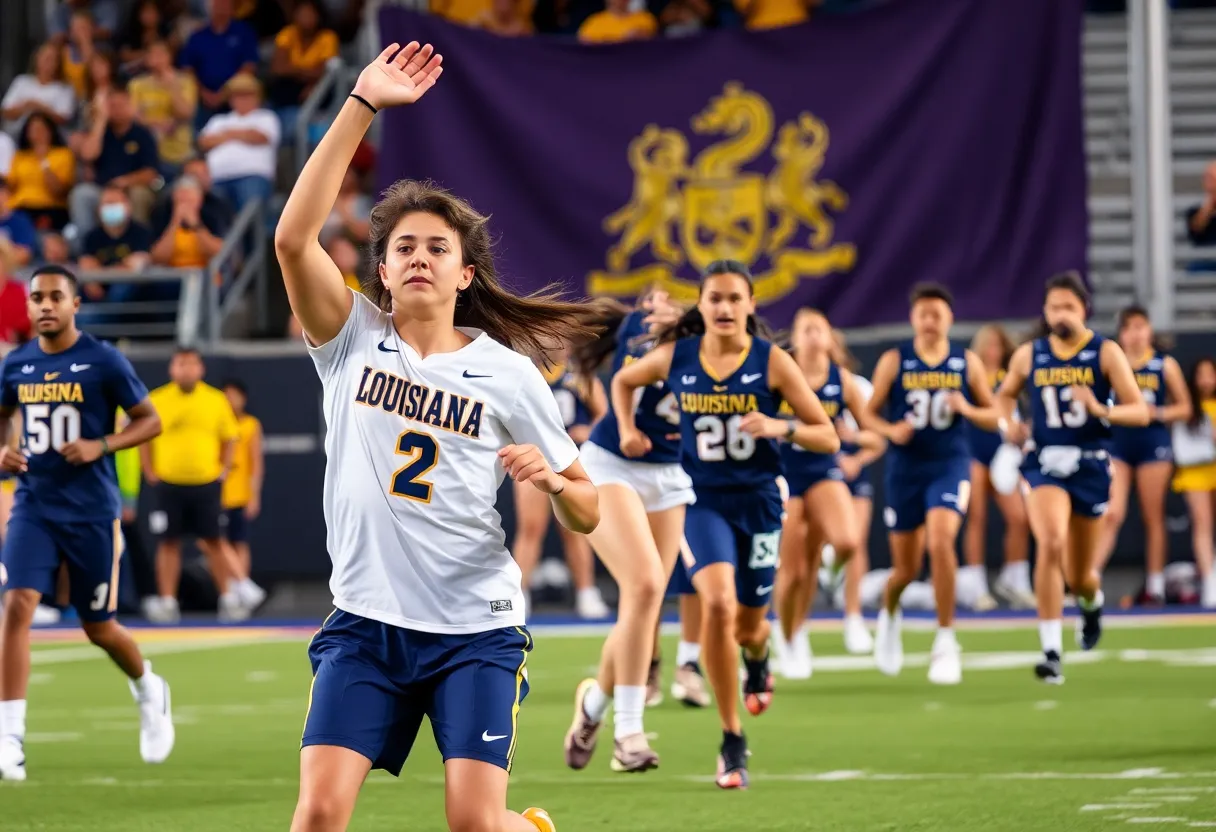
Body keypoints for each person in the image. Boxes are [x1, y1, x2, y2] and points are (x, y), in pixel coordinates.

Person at [274, 43, 603, 832]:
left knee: (475, 826)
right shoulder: (350, 338)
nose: (419, 257)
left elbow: (588, 507)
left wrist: (557, 485)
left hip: (474, 628)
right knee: (317, 817)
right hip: (364, 623)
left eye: (438, 248)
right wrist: (362, 104)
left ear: (465, 275)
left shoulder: (510, 374)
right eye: (403, 248)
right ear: (381, 271)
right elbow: (292, 239)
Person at [609, 260, 838, 789]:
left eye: (736, 298)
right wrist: (626, 429)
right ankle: (732, 738)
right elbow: (623, 379)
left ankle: (758, 658)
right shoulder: (678, 356)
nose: (726, 308)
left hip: (758, 502)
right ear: (703, 306)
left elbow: (827, 436)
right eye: (715, 298)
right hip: (702, 499)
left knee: (749, 627)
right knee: (715, 602)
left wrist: (781, 426)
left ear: (751, 305)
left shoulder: (773, 361)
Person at [0, 264, 174, 782]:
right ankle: (10, 735)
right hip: (34, 503)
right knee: (16, 605)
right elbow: (4, 416)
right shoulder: (17, 364)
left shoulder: (102, 360)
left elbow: (150, 419)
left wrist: (102, 444)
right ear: (27, 307)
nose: (46, 305)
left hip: (91, 511)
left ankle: (148, 686)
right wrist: (4, 449)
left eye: (56, 296)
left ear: (76, 304)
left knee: (98, 627)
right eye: (37, 297)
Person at [561, 288, 691, 774]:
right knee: (645, 584)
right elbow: (620, 381)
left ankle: (593, 705)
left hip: (671, 476)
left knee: (645, 603)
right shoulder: (637, 326)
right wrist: (628, 426)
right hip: (613, 463)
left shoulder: (715, 347)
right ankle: (629, 733)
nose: (655, 308)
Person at [996, 272, 1148, 684]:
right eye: (1053, 306)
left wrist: (1101, 409)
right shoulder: (1030, 354)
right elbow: (1004, 395)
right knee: (1050, 540)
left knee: (1080, 575)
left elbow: (1139, 410)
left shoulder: (1105, 352)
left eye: (1068, 306)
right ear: (1044, 312)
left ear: (1084, 309)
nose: (1060, 314)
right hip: (1044, 461)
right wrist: (1005, 423)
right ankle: (1050, 650)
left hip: (1090, 463)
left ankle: (1092, 602)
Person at [859, 283, 1000, 686]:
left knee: (941, 541)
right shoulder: (895, 359)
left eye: (937, 313)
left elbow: (994, 417)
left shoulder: (964, 362)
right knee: (905, 568)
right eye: (924, 313)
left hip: (949, 464)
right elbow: (867, 415)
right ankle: (889, 614)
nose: (931, 320)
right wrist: (890, 429)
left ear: (950, 318)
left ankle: (945, 638)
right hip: (905, 468)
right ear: (913, 318)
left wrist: (968, 408)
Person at [772, 308, 882, 679]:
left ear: (831, 336)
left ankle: (832, 576)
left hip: (823, 470)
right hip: (784, 474)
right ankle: (790, 635)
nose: (815, 335)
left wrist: (853, 438)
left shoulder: (844, 381)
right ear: (796, 337)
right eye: (807, 329)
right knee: (795, 570)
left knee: (848, 541)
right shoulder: (779, 373)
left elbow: (874, 435)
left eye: (820, 329)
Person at [140, 348, 255, 623]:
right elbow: (144, 436)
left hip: (206, 484)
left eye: (191, 364)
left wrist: (223, 470)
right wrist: (149, 470)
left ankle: (227, 598)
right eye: (181, 364)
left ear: (200, 369)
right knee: (168, 543)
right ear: (172, 368)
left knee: (215, 541)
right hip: (169, 484)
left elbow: (230, 437)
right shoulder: (157, 399)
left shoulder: (215, 400)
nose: (186, 370)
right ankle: (168, 601)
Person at [1094, 305, 1191, 604]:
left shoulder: (1164, 365)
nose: (1135, 334)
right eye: (1129, 328)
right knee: (1112, 513)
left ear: (1149, 330)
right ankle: (1088, 579)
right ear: (1121, 334)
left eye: (1140, 327)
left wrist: (1157, 412)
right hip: (1119, 445)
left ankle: (1155, 584)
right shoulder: (1113, 363)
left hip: (1152, 444)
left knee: (1153, 515)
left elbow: (1186, 407)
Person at [513, 349, 609, 619]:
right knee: (530, 529)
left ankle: (586, 591)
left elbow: (605, 416)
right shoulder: (523, 371)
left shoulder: (579, 374)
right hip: (534, 457)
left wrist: (589, 432)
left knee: (575, 530)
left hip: (571, 461)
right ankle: (521, 593)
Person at [959, 324, 1035, 611]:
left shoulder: (1011, 378)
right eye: (988, 345)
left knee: (1019, 517)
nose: (992, 351)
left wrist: (1021, 430)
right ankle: (976, 587)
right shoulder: (970, 379)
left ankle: (1015, 579)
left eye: (998, 346)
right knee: (976, 518)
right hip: (974, 450)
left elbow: (1023, 412)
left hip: (1004, 454)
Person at [824, 328, 884, 654]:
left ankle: (853, 616)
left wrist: (856, 454)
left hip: (850, 473)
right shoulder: (796, 383)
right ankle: (792, 628)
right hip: (814, 471)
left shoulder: (857, 386)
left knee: (854, 541)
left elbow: (877, 438)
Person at [1171, 357, 1216, 608]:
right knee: (1203, 524)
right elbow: (1184, 447)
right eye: (1202, 375)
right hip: (1195, 473)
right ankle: (1209, 581)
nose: (1207, 380)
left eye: (1211, 374)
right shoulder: (1188, 407)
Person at [219, 379, 266, 611]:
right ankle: (229, 591)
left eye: (234, 395)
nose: (230, 400)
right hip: (217, 494)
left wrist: (253, 495)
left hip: (239, 494)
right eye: (226, 395)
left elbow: (255, 462)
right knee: (217, 542)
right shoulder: (217, 422)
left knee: (239, 541)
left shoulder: (250, 425)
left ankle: (240, 590)